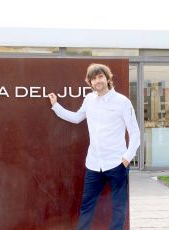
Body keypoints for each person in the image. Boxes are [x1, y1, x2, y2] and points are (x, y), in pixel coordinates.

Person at [48, 63, 140, 230]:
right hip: (93, 163)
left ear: (107, 78)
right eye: (93, 78)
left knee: (118, 207)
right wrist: (56, 106)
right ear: (89, 82)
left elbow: (135, 133)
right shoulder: (89, 99)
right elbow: (77, 118)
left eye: (100, 77)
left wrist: (126, 159)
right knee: (87, 206)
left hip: (116, 163)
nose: (97, 81)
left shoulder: (122, 102)